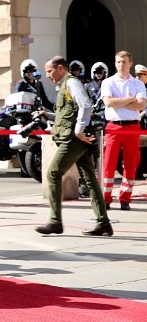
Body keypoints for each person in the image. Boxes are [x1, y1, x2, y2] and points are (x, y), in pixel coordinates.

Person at [35, 56, 113, 236]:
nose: (47, 75)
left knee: (53, 173)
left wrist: (78, 130)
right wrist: (48, 115)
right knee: (90, 180)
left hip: (73, 140)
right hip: (74, 138)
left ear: (60, 68)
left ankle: (55, 222)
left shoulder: (71, 83)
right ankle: (103, 223)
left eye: (49, 71)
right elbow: (69, 112)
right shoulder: (64, 85)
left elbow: (85, 106)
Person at [100, 50, 147, 211]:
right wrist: (129, 100)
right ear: (115, 63)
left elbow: (141, 105)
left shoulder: (138, 84)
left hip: (132, 126)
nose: (121, 65)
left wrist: (118, 102)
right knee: (109, 163)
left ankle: (125, 198)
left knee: (131, 163)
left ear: (130, 63)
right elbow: (108, 102)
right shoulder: (108, 82)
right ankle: (106, 198)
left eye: (124, 62)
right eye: (118, 62)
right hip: (114, 125)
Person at [134, 64, 147, 129]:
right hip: (137, 119)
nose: (137, 78)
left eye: (140, 75)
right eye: (136, 75)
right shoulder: (136, 88)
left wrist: (143, 113)